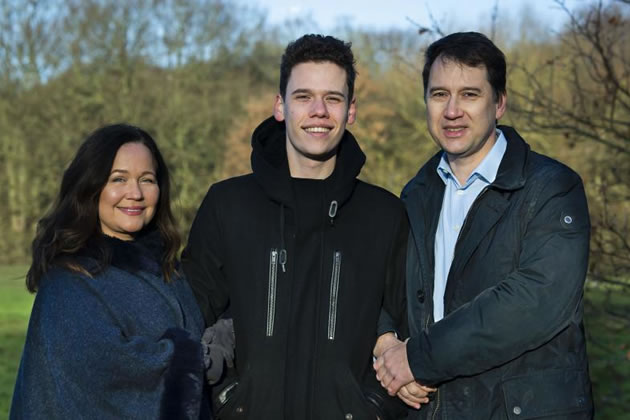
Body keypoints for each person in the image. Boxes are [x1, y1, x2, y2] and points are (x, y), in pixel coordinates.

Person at [182, 34, 408, 419]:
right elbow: (189, 316)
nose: (318, 110)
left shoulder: (384, 215)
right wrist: (227, 401)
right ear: (280, 106)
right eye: (303, 96)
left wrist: (370, 409)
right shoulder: (228, 204)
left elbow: (405, 331)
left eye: (333, 99)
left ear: (350, 110)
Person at [373, 32, 594, 419]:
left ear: (500, 103)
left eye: (470, 95)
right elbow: (385, 284)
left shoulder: (551, 188)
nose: (452, 110)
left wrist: (416, 359)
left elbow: (533, 301)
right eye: (439, 94)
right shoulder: (416, 194)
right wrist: (385, 343)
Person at [10, 124, 210, 419]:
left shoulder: (168, 269)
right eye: (118, 179)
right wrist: (195, 357)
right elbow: (108, 376)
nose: (135, 193)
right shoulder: (68, 283)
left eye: (147, 179)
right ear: (91, 188)